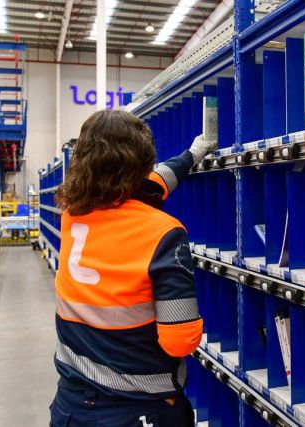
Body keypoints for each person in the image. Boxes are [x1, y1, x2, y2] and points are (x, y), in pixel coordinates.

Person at [50, 109, 215, 426]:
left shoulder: (73, 212)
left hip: (71, 405)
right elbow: (179, 341)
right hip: (138, 409)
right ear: (142, 163)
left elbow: (152, 186)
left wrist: (193, 154)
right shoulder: (162, 233)